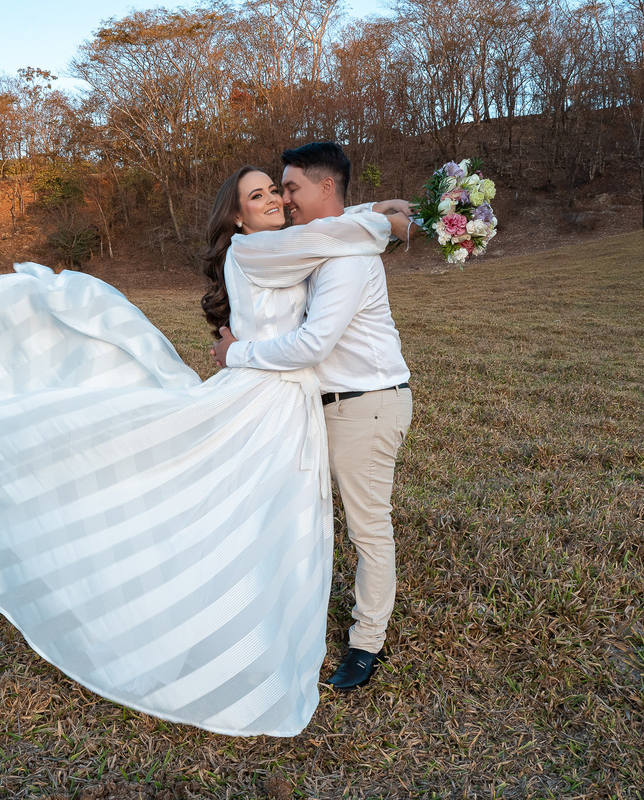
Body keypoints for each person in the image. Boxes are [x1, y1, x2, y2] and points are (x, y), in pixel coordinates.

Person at [0, 165, 402, 736]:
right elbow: (334, 237)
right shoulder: (254, 251)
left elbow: (328, 235)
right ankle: (207, 627)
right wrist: (389, 220)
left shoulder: (289, 247)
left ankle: (264, 625)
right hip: (265, 398)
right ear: (236, 216)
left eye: (277, 190)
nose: (273, 200)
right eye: (257, 195)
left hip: (290, 404)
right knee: (237, 514)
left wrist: (376, 214)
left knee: (275, 519)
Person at [213, 142, 415, 692]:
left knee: (368, 528)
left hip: (363, 404)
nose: (284, 199)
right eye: (268, 193)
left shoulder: (346, 257)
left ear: (324, 188)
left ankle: (365, 645)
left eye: (289, 187)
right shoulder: (299, 246)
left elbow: (311, 343)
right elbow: (329, 229)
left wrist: (235, 352)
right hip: (305, 405)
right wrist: (377, 213)